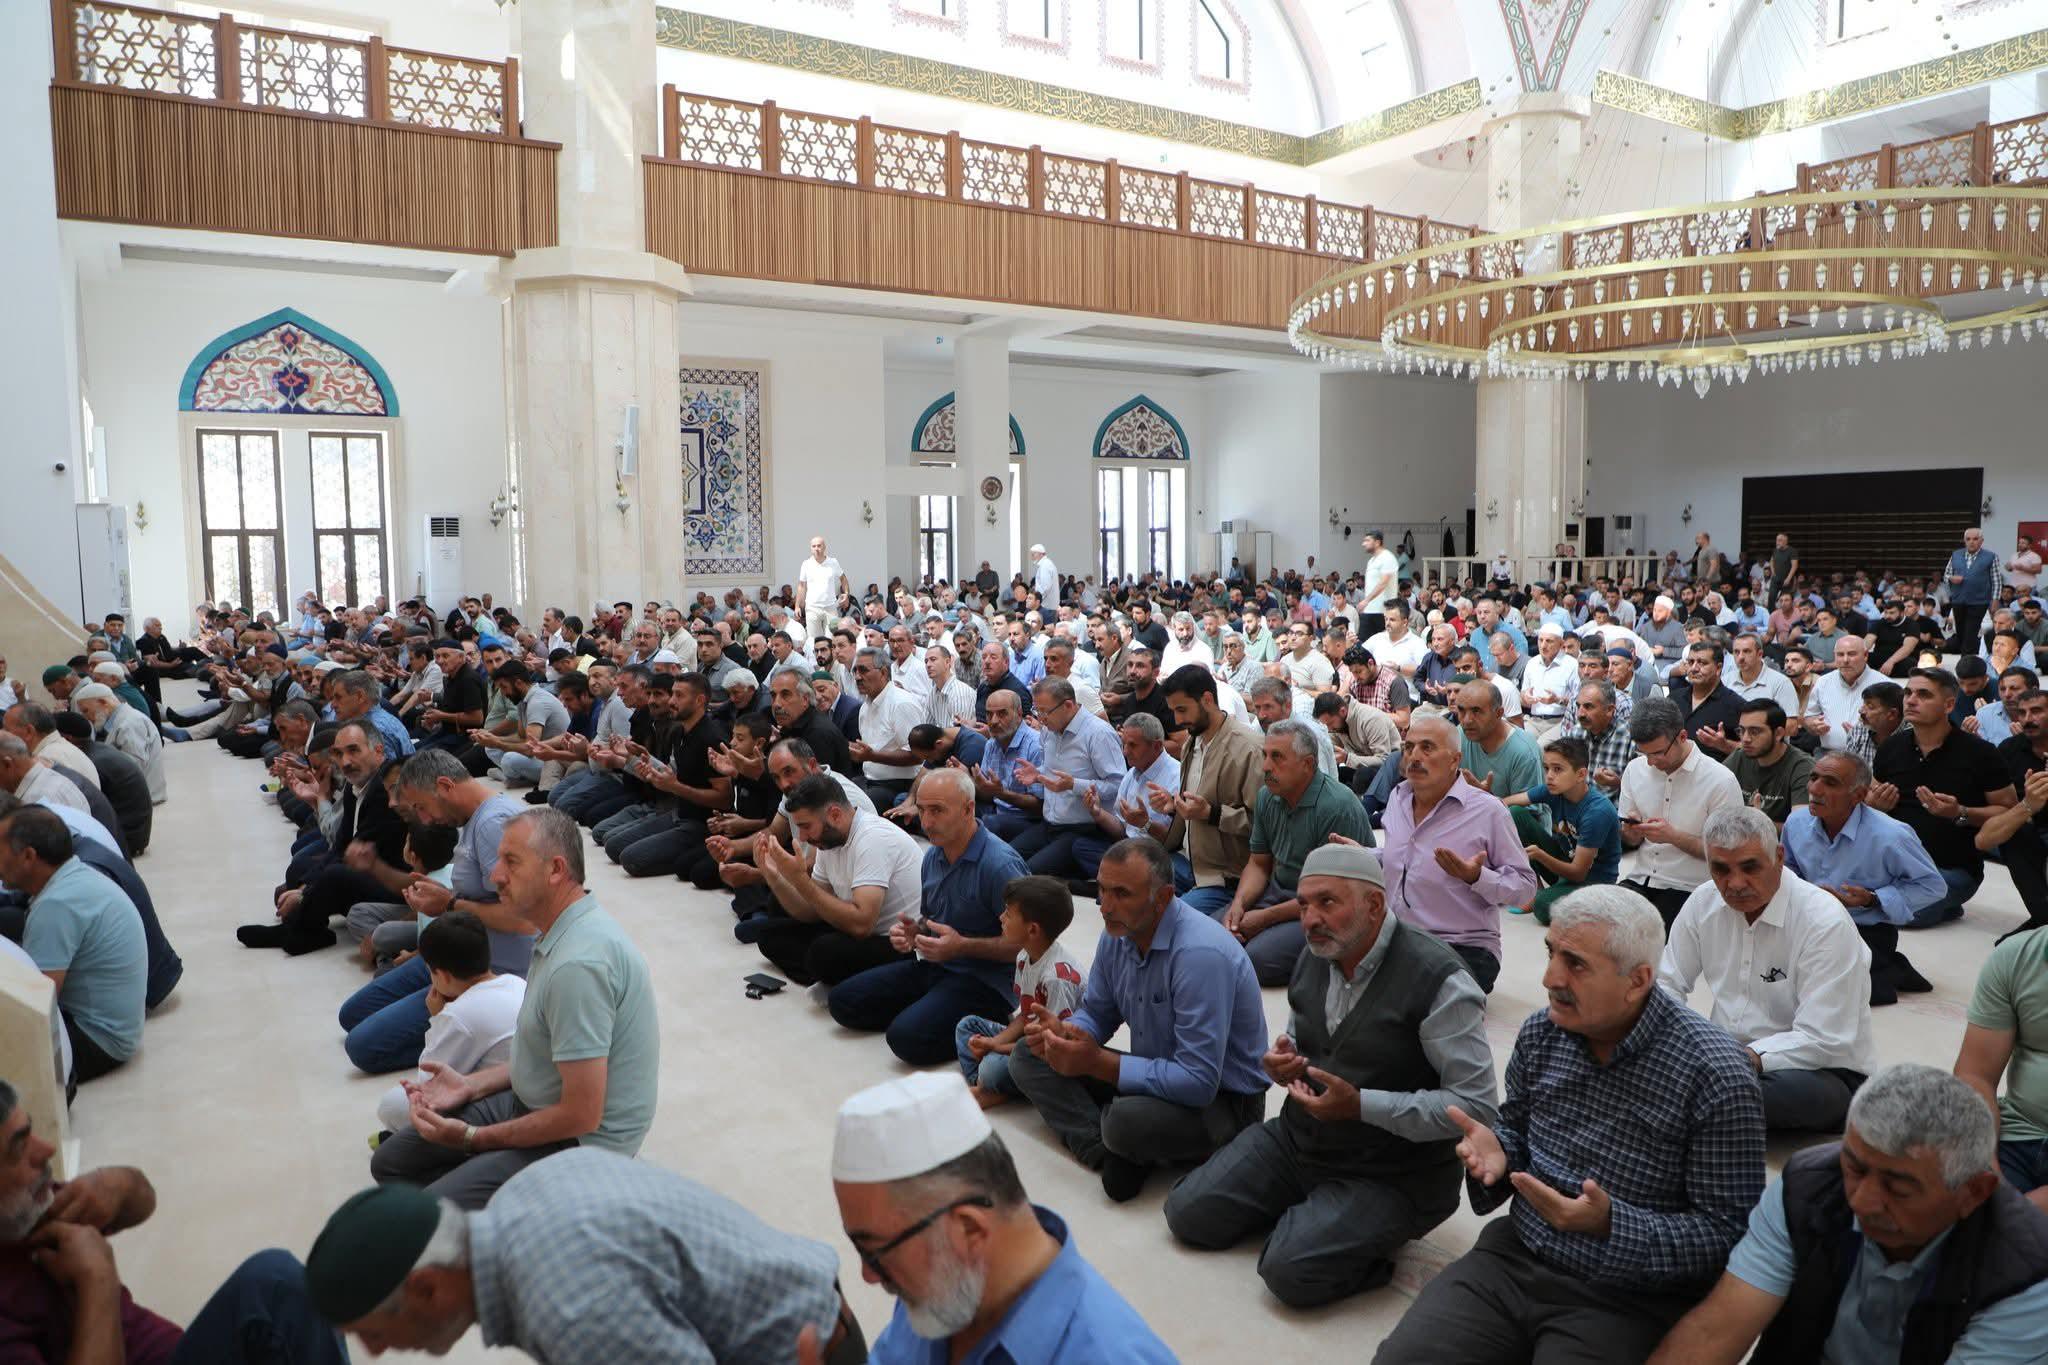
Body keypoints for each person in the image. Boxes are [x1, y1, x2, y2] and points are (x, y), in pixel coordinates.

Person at [1373, 886, 1766, 1364]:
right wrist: (1499, 1155)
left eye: (1575, 964)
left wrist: (1611, 1225)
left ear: (1638, 979)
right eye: (1550, 952)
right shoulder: (1541, 1033)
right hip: (1518, 1257)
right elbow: (1517, 1133)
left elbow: (1727, 1235)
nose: (1549, 977)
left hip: (1630, 1294)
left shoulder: (1716, 1075)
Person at [1165, 842, 1498, 1308]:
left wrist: (1362, 1105)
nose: (1310, 919)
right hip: (1300, 1140)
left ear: (1374, 904)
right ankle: (1317, 1218)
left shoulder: (1440, 980)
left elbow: (1477, 1107)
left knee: (1287, 1271)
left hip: (1392, 1171)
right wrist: (1284, 1059)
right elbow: (1303, 1038)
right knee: (1188, 1215)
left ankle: (1367, 1247)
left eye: (1327, 902)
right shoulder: (1316, 952)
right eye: (1303, 905)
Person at [1647, 1064, 2048, 1365]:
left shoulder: (2026, 1274)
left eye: (1898, 1187)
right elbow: (1716, 1331)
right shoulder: (1807, 1186)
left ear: (1973, 1192)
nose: (1862, 1201)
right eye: (1855, 1168)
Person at [311, 1150, 860, 1363]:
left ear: (428, 1287)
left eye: (375, 1333)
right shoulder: (524, 1193)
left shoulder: (572, 1307)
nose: (377, 1353)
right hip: (800, 1294)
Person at [370, 808, 659, 1209]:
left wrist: (472, 1140)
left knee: (425, 1212)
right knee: (391, 1162)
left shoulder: (578, 964)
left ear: (555, 870)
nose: (494, 876)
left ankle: (537, 1219)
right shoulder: (562, 932)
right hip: (536, 1101)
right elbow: (550, 1055)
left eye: (511, 862)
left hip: (581, 1142)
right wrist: (472, 1084)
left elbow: (581, 1115)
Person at [830, 1071, 1172, 1362]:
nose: (868, 1275)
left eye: (872, 1251)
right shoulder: (944, 1289)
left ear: (967, 1229)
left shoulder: (1108, 1354)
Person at [0, 1079, 351, 1362]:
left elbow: (143, 1202)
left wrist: (119, 1183)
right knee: (273, 1285)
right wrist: (99, 1280)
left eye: (30, 1131)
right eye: (19, 1147)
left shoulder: (23, 1211)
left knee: (279, 1290)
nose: (45, 1149)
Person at [1008, 838, 1268, 1202]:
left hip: (1224, 1101)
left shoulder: (1200, 955)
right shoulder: (1117, 934)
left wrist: (1098, 1063)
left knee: (1123, 1121)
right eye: (1101, 890)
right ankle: (1109, 1148)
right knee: (1026, 1055)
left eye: (1121, 894)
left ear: (1162, 898)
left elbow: (1198, 1081)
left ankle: (1123, 1140)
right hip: (1158, 1073)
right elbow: (1098, 1011)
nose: (1105, 906)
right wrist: (1069, 1034)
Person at [1660, 807, 1877, 1133]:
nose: (1735, 883)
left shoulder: (1823, 921)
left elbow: (1822, 1038)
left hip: (1818, 1070)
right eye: (1720, 869)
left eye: (1750, 867)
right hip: (1725, 1059)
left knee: (1731, 1098)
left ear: (1778, 856)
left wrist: (1730, 1061)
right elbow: (1667, 983)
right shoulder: (1703, 903)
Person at [338, 749, 534, 1075]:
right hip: (455, 955)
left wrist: (450, 904)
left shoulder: (492, 826)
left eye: (421, 808)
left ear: (444, 786)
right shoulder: (475, 820)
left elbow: (524, 919)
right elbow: (479, 895)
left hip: (485, 973)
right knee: (352, 1014)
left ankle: (485, 1042)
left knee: (362, 1048)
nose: (425, 821)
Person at [828, 768, 1027, 1064]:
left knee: (904, 1040)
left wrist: (962, 946)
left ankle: (989, 1021)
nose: (927, 822)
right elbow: (931, 920)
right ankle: (932, 1010)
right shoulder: (933, 855)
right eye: (922, 810)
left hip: (986, 983)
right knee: (842, 1002)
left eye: (937, 811)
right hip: (938, 966)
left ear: (968, 809)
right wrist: (915, 932)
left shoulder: (1000, 865)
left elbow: (1028, 947)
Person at [1376, 715, 1537, 993]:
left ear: (1455, 759)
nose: (1414, 756)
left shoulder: (1488, 811)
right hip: (1401, 938)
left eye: (1427, 748)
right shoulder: (1398, 797)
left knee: (1407, 999)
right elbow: (1402, 858)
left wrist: (1476, 877)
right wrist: (1361, 855)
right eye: (1409, 747)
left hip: (1463, 946)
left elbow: (1525, 889)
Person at [1784, 752, 1946, 1007]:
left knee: (1842, 996)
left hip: (1864, 928)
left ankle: (1890, 967)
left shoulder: (1891, 835)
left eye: (1830, 782)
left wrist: (1872, 899)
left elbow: (1933, 887)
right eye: (1813, 778)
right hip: (1809, 921)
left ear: (1858, 796)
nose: (1815, 789)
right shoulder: (1796, 823)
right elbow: (1789, 870)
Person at [0, 806, 145, 1086]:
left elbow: (35, 1009)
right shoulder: (74, 876)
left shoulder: (55, 906)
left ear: (29, 856)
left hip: (98, 1041)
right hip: (119, 1029)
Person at [1220, 720, 1372, 985]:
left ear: (1308, 765)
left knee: (1256, 959)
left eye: (1277, 757)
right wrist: (1239, 904)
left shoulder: (1336, 806)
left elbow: (1334, 892)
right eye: (1265, 755)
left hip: (1329, 906)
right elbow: (1258, 863)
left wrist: (1265, 918)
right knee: (1215, 932)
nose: (1266, 766)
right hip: (1280, 892)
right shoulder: (1268, 796)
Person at [1871, 667, 2017, 927]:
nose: (1911, 700)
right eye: (1908, 693)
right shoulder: (1892, 747)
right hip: (1892, 864)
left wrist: (1960, 811)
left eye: (1924, 694)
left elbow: (2009, 810)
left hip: (1950, 869)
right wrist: (1875, 806)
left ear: (1949, 704)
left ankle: (1941, 904)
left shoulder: (1980, 753)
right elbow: (1871, 801)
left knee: (1900, 915)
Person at [753, 772, 924, 988]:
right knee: (769, 934)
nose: (803, 837)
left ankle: (834, 978)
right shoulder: (829, 840)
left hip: (899, 942)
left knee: (823, 953)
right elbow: (811, 910)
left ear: (834, 814)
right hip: (857, 929)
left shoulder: (872, 838)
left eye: (806, 826)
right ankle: (833, 977)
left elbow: (862, 924)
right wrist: (774, 877)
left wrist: (798, 878)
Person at [373, 909, 526, 1135]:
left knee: (392, 1105)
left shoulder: (458, 1014)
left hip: (497, 1099)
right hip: (521, 1081)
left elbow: (428, 1079)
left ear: (442, 976)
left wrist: (437, 1019)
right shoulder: (515, 982)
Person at [954, 875, 1086, 1108]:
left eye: (1008, 913)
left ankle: (993, 1086)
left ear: (1032, 929)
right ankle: (989, 1087)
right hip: (1030, 1039)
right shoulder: (1024, 956)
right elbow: (1025, 1017)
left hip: (1052, 1054)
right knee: (967, 1026)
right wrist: (992, 1042)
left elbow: (1052, 1046)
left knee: (992, 1067)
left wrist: (996, 1047)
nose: (1001, 917)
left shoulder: (1056, 978)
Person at [1618, 697, 1746, 928]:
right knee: (1596, 924)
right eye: (1643, 753)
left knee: (1649, 936)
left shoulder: (1719, 780)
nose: (1650, 762)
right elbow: (1629, 839)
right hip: (1642, 877)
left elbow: (1728, 854)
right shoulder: (1635, 769)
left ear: (1682, 737)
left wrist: (1672, 836)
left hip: (1691, 886)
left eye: (1658, 753)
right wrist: (1632, 833)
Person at [1155, 665, 1263, 916]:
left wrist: (1212, 814)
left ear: (1207, 699)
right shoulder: (1192, 743)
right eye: (1173, 712)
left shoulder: (1248, 749)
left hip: (1225, 878)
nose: (1178, 720)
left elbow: (1263, 826)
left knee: (1163, 924)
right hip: (1186, 863)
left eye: (1182, 710)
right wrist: (1175, 806)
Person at [1956, 924, 2048, 1209]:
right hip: (2018, 1135)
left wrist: (2021, 1215)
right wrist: (1984, 1164)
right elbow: (1975, 1075)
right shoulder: (2017, 955)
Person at [1007, 679, 1126, 878]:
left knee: (1027, 876)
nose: (1041, 719)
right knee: (1006, 860)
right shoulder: (1048, 730)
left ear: (1068, 705)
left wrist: (1074, 785)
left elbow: (1118, 785)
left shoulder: (1099, 733)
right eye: (1037, 712)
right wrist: (1039, 774)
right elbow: (1054, 769)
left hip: (1084, 830)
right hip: (1050, 824)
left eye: (1045, 712)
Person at [1501, 737, 1621, 924]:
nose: (1549, 776)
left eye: (1557, 769)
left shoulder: (1597, 811)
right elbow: (1509, 802)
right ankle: (1535, 889)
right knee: (1515, 814)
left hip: (1593, 881)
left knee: (1543, 906)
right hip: (1566, 864)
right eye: (1547, 768)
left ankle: (1595, 906)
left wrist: (1540, 855)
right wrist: (1482, 799)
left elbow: (1578, 873)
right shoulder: (1554, 789)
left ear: (1581, 774)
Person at [1722, 699, 1815, 822]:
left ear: (1778, 734)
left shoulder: (1802, 766)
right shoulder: (1739, 757)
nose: (1745, 739)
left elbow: (1800, 827)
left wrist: (1759, 823)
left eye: (1754, 732)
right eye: (1741, 730)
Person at [1804, 635, 1880, 750]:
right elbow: (1809, 716)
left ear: (1865, 655)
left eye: (1851, 654)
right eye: (1840, 655)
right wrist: (1813, 725)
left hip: (1870, 755)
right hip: (1829, 755)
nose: (1845, 660)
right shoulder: (1823, 682)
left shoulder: (1883, 684)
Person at [1945, 526, 2001, 653]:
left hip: (1979, 601)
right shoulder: (1956, 554)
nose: (1971, 542)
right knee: (1960, 633)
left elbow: (1996, 580)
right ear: (1964, 541)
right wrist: (1951, 578)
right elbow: (1946, 575)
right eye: (1968, 539)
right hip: (1959, 600)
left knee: (1971, 632)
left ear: (1981, 541)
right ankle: (1968, 657)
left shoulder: (1991, 556)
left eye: (1975, 539)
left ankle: (1965, 663)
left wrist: (1995, 600)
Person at [796, 535, 848, 641]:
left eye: (819, 546)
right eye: (813, 546)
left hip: (831, 607)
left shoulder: (833, 562)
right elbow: (801, 586)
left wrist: (846, 593)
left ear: (824, 547)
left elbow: (843, 578)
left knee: (833, 638)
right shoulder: (806, 564)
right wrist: (797, 606)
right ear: (811, 548)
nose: (816, 549)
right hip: (812, 608)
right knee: (814, 640)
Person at [1358, 530, 1400, 641]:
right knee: (1363, 645)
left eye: (1367, 540)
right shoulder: (1371, 560)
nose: (1364, 544)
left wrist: (1366, 600)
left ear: (1377, 542)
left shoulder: (1387, 557)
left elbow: (1383, 583)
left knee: (1383, 644)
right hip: (1370, 610)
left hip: (1383, 610)